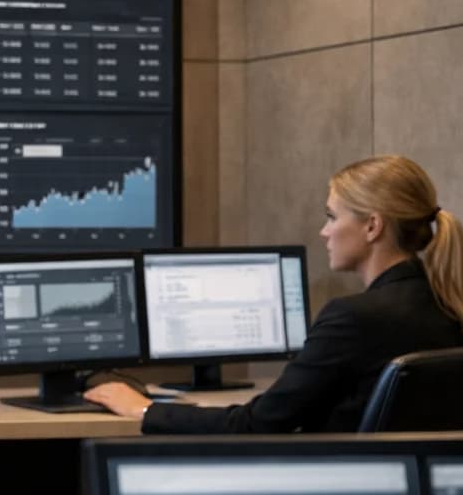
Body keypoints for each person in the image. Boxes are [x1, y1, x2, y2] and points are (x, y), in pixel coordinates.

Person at [88, 155, 463, 432]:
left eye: (332, 217)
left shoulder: (353, 318)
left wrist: (144, 409)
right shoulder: (450, 306)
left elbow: (258, 424)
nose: (323, 232)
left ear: (372, 226)